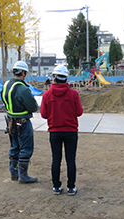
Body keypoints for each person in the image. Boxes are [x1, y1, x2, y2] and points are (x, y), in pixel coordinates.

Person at [40, 65, 83, 195]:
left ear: (53, 78)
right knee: (71, 160)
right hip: (71, 131)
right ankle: (71, 187)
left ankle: (56, 187)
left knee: (56, 160)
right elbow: (79, 112)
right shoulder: (74, 94)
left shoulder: (47, 95)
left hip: (54, 132)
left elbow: (43, 114)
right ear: (66, 78)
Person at [0, 60, 39, 183]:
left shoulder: (6, 85)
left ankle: (14, 173)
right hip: (23, 122)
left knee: (14, 146)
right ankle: (23, 176)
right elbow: (33, 107)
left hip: (11, 122)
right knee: (26, 148)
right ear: (23, 73)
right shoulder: (22, 89)